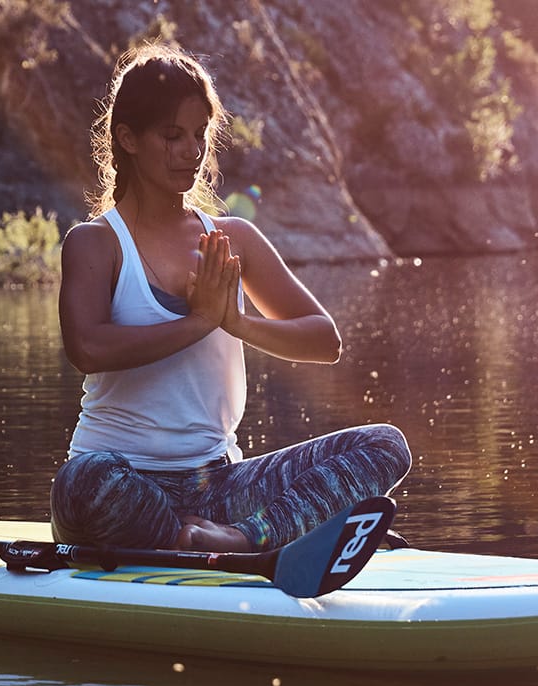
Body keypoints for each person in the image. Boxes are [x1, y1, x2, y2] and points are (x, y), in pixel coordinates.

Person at [51, 43, 411, 553]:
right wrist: (199, 322)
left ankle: (237, 538)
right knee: (82, 483)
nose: (192, 151)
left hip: (219, 487)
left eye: (200, 134)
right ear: (128, 138)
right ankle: (241, 536)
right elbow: (87, 348)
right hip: (121, 481)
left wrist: (237, 323)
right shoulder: (96, 243)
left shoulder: (233, 238)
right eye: (172, 136)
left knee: (384, 445)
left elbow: (325, 341)